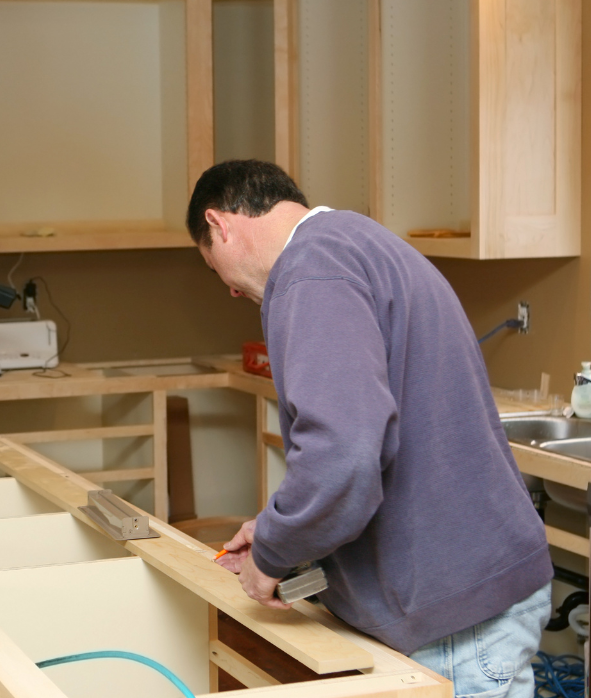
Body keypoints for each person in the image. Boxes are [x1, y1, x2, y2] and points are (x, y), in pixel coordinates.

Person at [189, 160, 551, 698]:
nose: (231, 292)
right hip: (465, 591)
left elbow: (344, 453)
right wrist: (276, 530)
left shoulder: (311, 272)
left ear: (220, 225)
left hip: (451, 617)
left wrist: (269, 558)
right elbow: (370, 438)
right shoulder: (356, 241)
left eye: (211, 265)